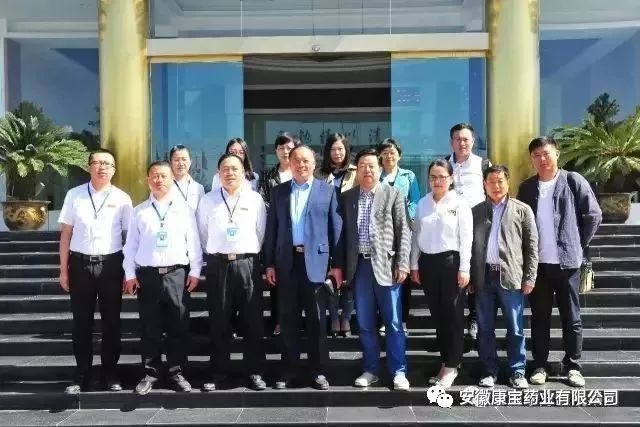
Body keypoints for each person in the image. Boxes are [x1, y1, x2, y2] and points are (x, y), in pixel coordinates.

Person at [517, 136, 602, 388]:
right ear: (531, 159)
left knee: (571, 317)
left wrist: (577, 242)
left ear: (556, 154)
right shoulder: (527, 188)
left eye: (546, 153)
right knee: (539, 318)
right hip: (538, 266)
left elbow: (593, 214)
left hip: (567, 265)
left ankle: (573, 366)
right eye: (536, 155)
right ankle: (539, 365)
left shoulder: (573, 181)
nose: (542, 159)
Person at [263, 145, 343, 390]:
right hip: (287, 263)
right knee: (288, 319)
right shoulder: (279, 191)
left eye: (306, 160)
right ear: (290, 163)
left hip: (317, 265)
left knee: (317, 320)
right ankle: (289, 370)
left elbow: (336, 230)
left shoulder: (328, 191)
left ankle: (319, 371)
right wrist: (269, 263)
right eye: (296, 160)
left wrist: (337, 266)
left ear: (314, 163)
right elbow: (272, 229)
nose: (301, 165)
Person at [123, 161, 203, 395]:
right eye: (154, 176)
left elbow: (194, 243)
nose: (159, 180)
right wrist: (130, 274)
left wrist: (195, 271)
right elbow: (131, 246)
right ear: (148, 179)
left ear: (172, 179)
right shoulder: (139, 211)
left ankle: (177, 372)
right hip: (147, 276)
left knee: (178, 325)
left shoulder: (184, 210)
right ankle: (151, 373)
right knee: (150, 327)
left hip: (177, 274)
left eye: (163, 176)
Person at [58, 148, 133, 394]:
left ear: (114, 169)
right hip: (80, 265)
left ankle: (110, 373)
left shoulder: (122, 198)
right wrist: (63, 269)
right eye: (97, 163)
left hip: (111, 264)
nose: (102, 167)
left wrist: (128, 271)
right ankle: (81, 374)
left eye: (107, 164)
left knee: (112, 322)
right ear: (89, 166)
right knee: (81, 323)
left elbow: (129, 238)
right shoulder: (74, 195)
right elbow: (66, 234)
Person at [338, 148, 411, 390]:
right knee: (366, 324)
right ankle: (371, 370)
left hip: (387, 267)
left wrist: (402, 263)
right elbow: (341, 236)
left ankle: (398, 371)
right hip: (359, 267)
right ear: (356, 171)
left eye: (371, 166)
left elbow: (404, 231)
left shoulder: (393, 194)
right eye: (362, 166)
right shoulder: (348, 197)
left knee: (393, 322)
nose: (367, 170)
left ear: (380, 169)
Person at [197, 153, 267, 391]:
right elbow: (203, 233)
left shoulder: (255, 199)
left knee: (252, 320)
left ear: (244, 172)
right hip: (218, 265)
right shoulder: (207, 200)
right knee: (219, 321)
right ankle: (219, 372)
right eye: (225, 169)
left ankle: (255, 372)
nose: (230, 173)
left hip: (247, 264)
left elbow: (260, 232)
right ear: (218, 173)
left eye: (235, 168)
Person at [470, 165, 538, 389]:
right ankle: (489, 371)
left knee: (515, 328)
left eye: (500, 181)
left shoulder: (522, 210)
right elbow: (469, 246)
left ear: (508, 183)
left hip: (511, 278)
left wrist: (530, 277)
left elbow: (532, 247)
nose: (496, 186)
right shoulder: (476, 211)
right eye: (491, 181)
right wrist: (471, 276)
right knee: (485, 328)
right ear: (484, 184)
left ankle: (517, 371)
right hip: (483, 279)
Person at [410, 159, 472, 389]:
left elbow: (467, 239)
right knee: (437, 316)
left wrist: (464, 268)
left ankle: (452, 365)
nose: (437, 181)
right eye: (433, 177)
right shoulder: (423, 203)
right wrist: (414, 265)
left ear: (451, 178)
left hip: (451, 263)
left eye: (442, 177)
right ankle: (446, 361)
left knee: (453, 316)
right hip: (427, 263)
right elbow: (416, 237)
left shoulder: (459, 203)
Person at [445, 123, 490, 340]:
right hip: (450, 226)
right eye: (457, 139)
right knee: (454, 271)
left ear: (472, 141)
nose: (462, 143)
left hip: (477, 223)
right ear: (451, 142)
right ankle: (454, 321)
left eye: (466, 139)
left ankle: (474, 318)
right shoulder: (444, 165)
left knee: (475, 271)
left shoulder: (483, 164)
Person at [315, 133, 357, 337]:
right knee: (330, 276)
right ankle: (333, 316)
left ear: (346, 150)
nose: (337, 153)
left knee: (349, 276)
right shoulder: (319, 173)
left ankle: (346, 316)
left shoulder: (355, 172)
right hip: (326, 231)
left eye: (340, 148)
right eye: (333, 149)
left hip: (350, 230)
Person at [377, 138, 420, 336]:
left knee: (403, 277)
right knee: (382, 275)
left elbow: (415, 201)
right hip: (382, 233)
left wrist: (403, 218)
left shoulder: (408, 176)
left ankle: (402, 320)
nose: (389, 156)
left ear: (399, 155)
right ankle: (385, 319)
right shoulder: (376, 175)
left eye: (392, 152)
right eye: (385, 152)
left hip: (404, 232)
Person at [257, 132, 299, 336]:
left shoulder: (301, 172)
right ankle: (278, 321)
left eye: (289, 148)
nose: (285, 151)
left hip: (299, 236)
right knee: (277, 283)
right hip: (278, 234)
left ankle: (297, 322)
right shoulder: (268, 175)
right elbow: (263, 202)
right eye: (281, 148)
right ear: (275, 151)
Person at [169, 144, 205, 211]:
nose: (181, 163)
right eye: (176, 160)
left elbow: (202, 213)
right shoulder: (164, 186)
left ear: (190, 162)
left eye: (184, 159)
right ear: (170, 162)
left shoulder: (198, 188)